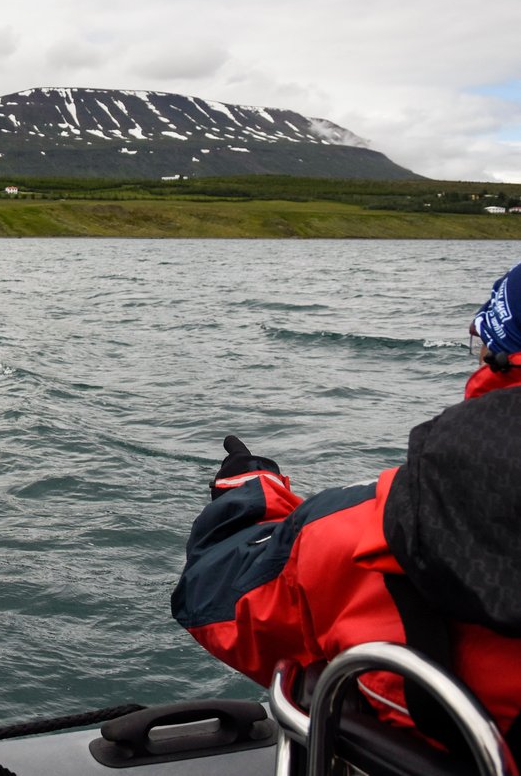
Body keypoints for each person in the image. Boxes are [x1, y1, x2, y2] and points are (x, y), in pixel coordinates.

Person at [171, 261, 521, 753]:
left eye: (481, 343)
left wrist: (248, 492)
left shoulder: (395, 523)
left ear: (499, 357)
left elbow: (214, 599)